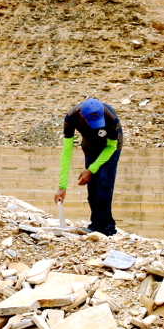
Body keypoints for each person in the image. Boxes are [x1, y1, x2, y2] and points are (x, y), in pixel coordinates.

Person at [54, 97, 122, 236]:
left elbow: (111, 146)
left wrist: (91, 169)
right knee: (93, 188)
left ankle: (98, 227)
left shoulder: (110, 116)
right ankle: (108, 227)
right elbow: (66, 152)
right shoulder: (72, 117)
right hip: (90, 148)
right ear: (82, 115)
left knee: (104, 184)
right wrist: (62, 186)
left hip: (111, 149)